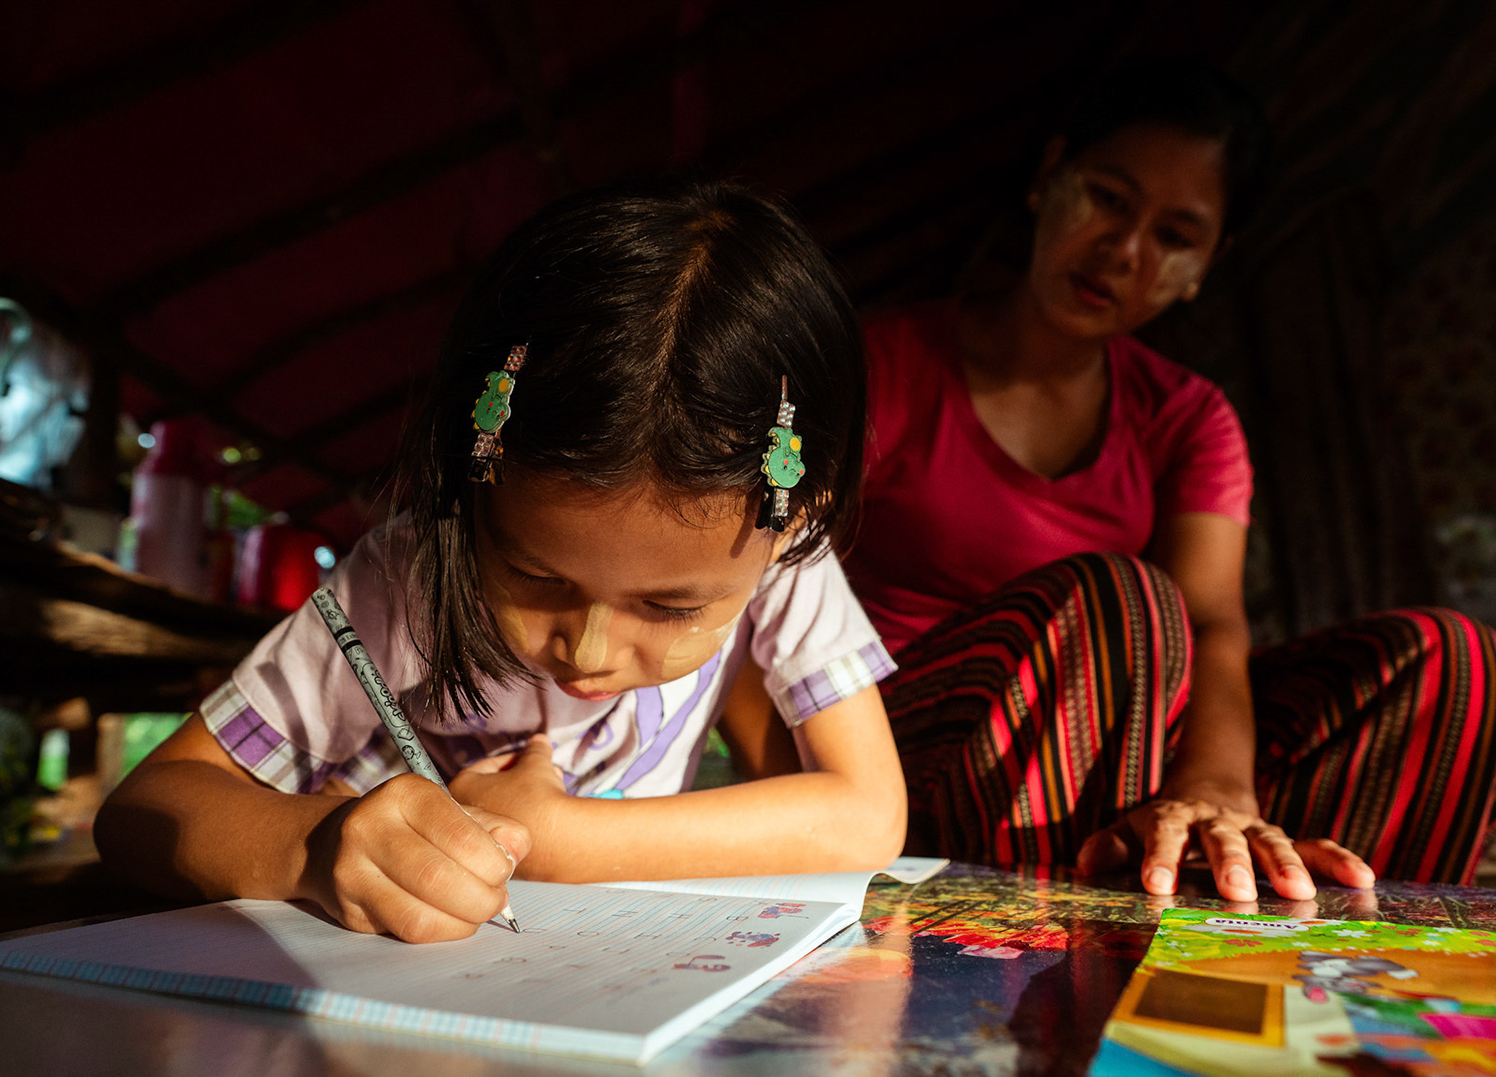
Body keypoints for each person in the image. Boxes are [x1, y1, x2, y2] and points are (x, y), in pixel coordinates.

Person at [97, 178, 907, 942]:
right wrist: (309, 844)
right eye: (534, 575)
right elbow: (142, 809)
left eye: (669, 607)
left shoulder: (779, 550)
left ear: (802, 511)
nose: (586, 650)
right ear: (473, 482)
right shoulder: (408, 575)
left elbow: (868, 815)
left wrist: (556, 837)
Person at [839, 62, 1496, 900]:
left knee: (1456, 668)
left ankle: (1323, 956)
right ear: (1047, 175)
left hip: (1126, 768)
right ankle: (1041, 962)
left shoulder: (1187, 417)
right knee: (1117, 602)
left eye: (1175, 236)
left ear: (1208, 262)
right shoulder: (874, 367)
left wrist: (1215, 788)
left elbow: (1214, 620)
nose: (1124, 253)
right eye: (1106, 197)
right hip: (910, 756)